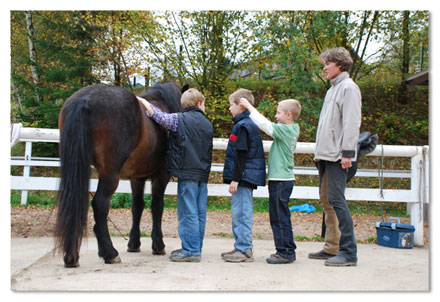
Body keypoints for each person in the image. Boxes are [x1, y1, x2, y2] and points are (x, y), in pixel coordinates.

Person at [137, 88, 213, 263]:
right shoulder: (207, 124)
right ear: (199, 104)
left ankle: (190, 251)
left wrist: (144, 102)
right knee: (200, 213)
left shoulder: (179, 119)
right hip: (203, 174)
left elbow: (158, 116)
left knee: (188, 213)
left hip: (187, 174)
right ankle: (196, 247)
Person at [309, 47, 362, 267]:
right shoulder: (333, 89)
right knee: (327, 200)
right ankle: (333, 247)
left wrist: (347, 153)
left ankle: (349, 253)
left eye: (327, 63)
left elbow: (351, 123)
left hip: (338, 156)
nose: (324, 67)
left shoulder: (348, 88)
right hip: (326, 155)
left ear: (339, 64)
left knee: (337, 201)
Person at [239, 97, 301, 264]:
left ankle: (285, 252)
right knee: (280, 216)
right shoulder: (291, 129)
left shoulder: (285, 130)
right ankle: (287, 249)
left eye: (278, 113)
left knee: (279, 217)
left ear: (289, 115)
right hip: (282, 180)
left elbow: (265, 125)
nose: (276, 116)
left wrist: (249, 107)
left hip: (281, 180)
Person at [221, 88, 266, 263]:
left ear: (241, 106)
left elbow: (241, 154)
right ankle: (240, 246)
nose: (229, 109)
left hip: (243, 178)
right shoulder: (244, 124)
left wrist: (235, 179)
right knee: (240, 212)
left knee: (241, 213)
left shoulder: (243, 126)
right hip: (244, 176)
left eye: (231, 105)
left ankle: (244, 249)